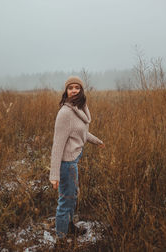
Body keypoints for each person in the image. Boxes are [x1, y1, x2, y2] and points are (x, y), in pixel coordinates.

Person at [49, 76, 105, 245]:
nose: (74, 90)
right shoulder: (65, 113)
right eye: (70, 87)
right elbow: (57, 145)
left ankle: (70, 226)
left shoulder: (80, 109)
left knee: (72, 197)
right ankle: (60, 240)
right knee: (66, 200)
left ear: (81, 90)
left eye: (77, 87)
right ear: (66, 91)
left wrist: (97, 141)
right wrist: (54, 174)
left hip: (73, 161)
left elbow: (80, 132)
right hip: (66, 164)